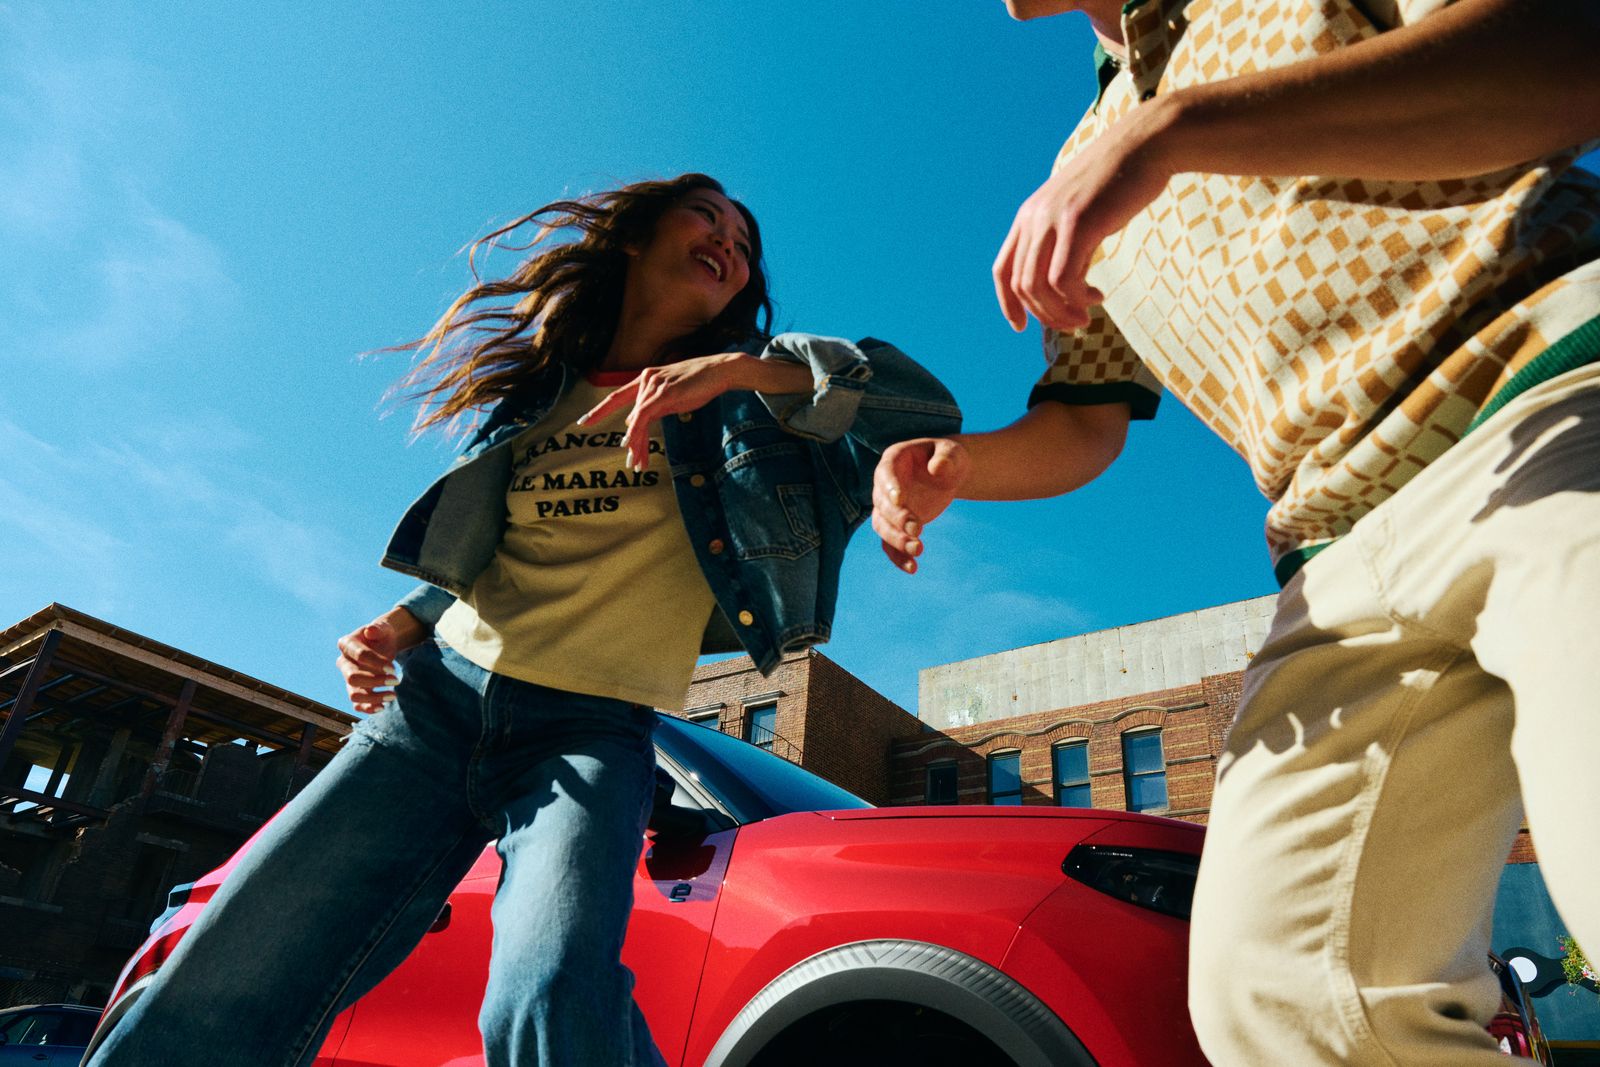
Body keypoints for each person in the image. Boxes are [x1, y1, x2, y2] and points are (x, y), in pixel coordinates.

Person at [89, 173, 959, 1067]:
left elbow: (921, 408)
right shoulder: (543, 392)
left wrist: (742, 368)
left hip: (590, 730)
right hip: (434, 709)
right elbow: (498, 552)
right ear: (633, 237)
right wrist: (400, 623)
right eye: (709, 218)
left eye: (745, 244)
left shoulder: (751, 406)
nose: (731, 246)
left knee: (548, 990)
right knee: (232, 967)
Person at [871, 1, 1599, 1063]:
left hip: (1538, 391)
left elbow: (1560, 54)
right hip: (1333, 551)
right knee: (1284, 992)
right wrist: (960, 464)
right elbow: (1085, 419)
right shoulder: (1085, 159)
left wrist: (1172, 131)